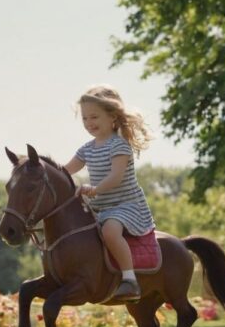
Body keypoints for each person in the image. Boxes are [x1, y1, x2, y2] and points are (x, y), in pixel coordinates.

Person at [62, 84, 155, 303]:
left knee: (111, 232)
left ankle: (130, 280)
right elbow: (66, 170)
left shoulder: (119, 145)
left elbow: (116, 177)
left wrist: (93, 189)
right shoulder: (87, 148)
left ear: (112, 115)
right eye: (85, 119)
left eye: (94, 117)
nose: (89, 123)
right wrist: (44, 172)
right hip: (101, 208)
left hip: (126, 206)